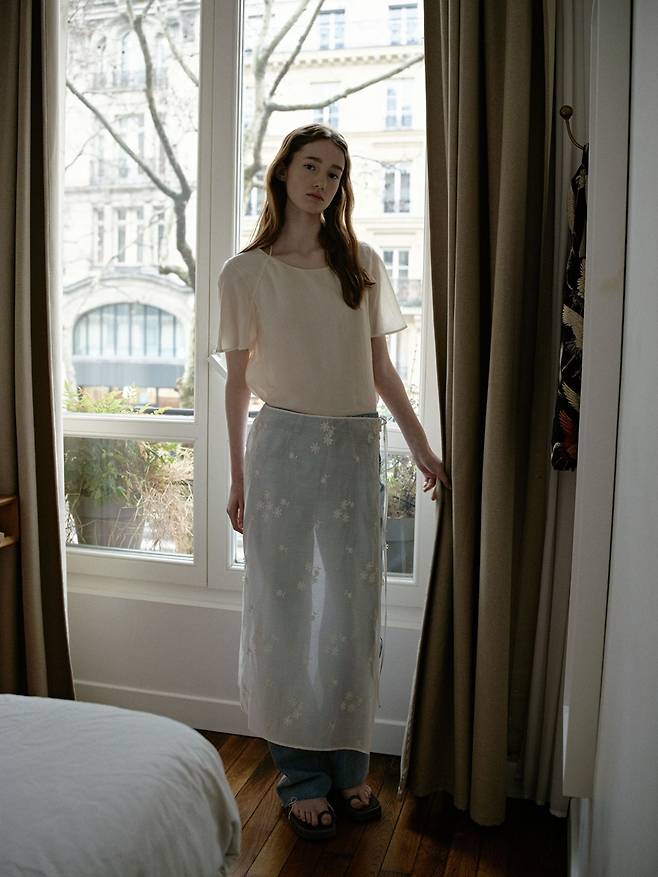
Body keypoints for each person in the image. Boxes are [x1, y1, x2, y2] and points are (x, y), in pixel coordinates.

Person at [216, 123, 450, 840]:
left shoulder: (362, 263)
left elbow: (380, 371)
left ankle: (349, 769)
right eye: (312, 166)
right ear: (284, 172)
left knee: (349, 614)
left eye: (336, 173)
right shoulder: (245, 273)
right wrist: (237, 478)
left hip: (353, 448)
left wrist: (422, 447)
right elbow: (236, 385)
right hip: (281, 448)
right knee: (286, 611)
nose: (323, 181)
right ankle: (300, 777)